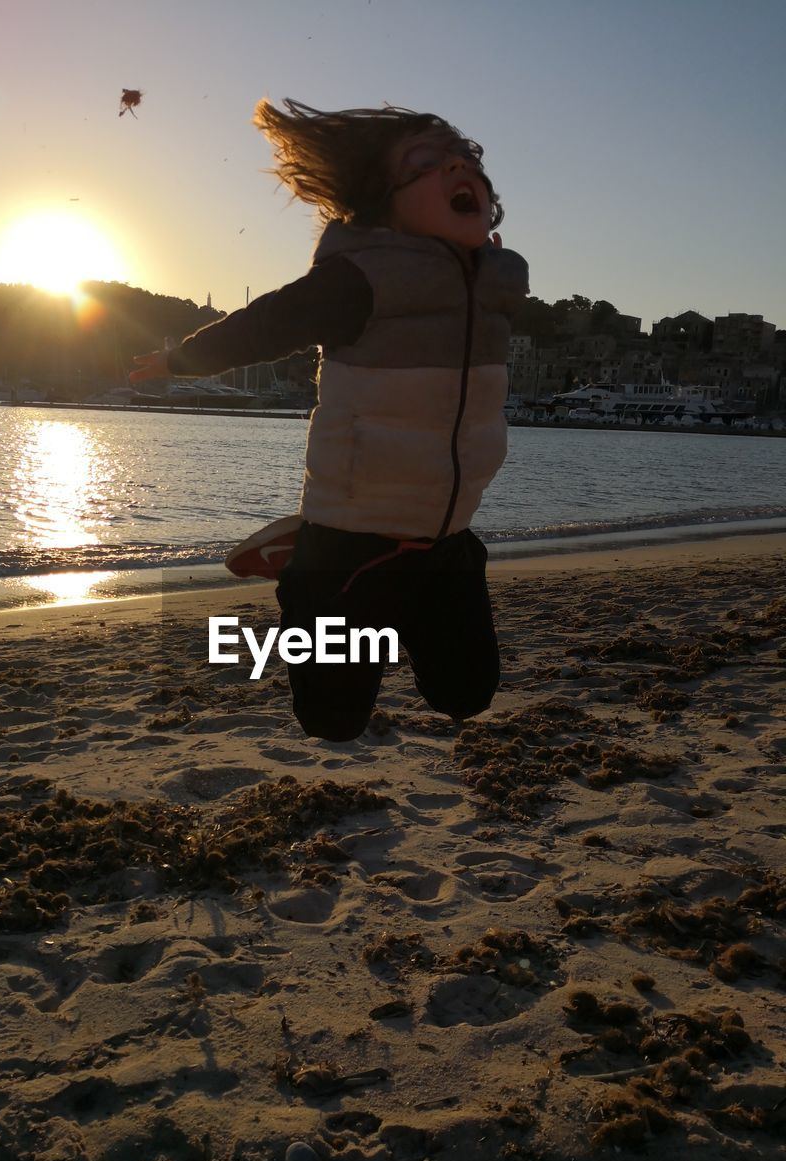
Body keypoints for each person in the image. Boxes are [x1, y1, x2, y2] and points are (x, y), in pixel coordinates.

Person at [130, 99, 529, 742]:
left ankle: (386, 614)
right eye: (423, 161)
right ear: (380, 199)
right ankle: (303, 570)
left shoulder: (498, 283)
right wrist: (180, 359)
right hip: (351, 535)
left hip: (446, 538)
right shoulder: (362, 277)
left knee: (467, 697)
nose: (456, 164)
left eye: (464, 158)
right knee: (331, 720)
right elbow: (267, 324)